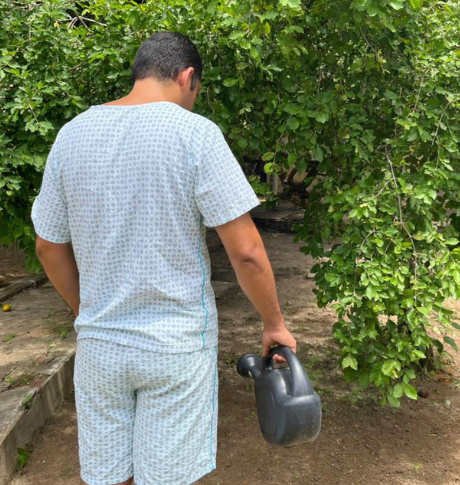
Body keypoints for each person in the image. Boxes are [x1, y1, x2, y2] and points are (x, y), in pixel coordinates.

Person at [31, 32, 296, 485]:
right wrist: (274, 323)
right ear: (187, 77)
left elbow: (48, 246)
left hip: (100, 349)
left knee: (109, 476)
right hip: (175, 348)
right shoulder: (195, 134)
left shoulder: (71, 135)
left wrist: (88, 312)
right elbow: (247, 252)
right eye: (196, 91)